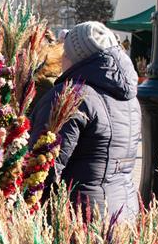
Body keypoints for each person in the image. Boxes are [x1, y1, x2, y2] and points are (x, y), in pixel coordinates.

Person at [29, 21, 142, 219]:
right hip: (124, 211)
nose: (61, 58)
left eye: (65, 53)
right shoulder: (129, 97)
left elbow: (43, 167)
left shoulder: (70, 96)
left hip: (80, 216)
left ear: (77, 58)